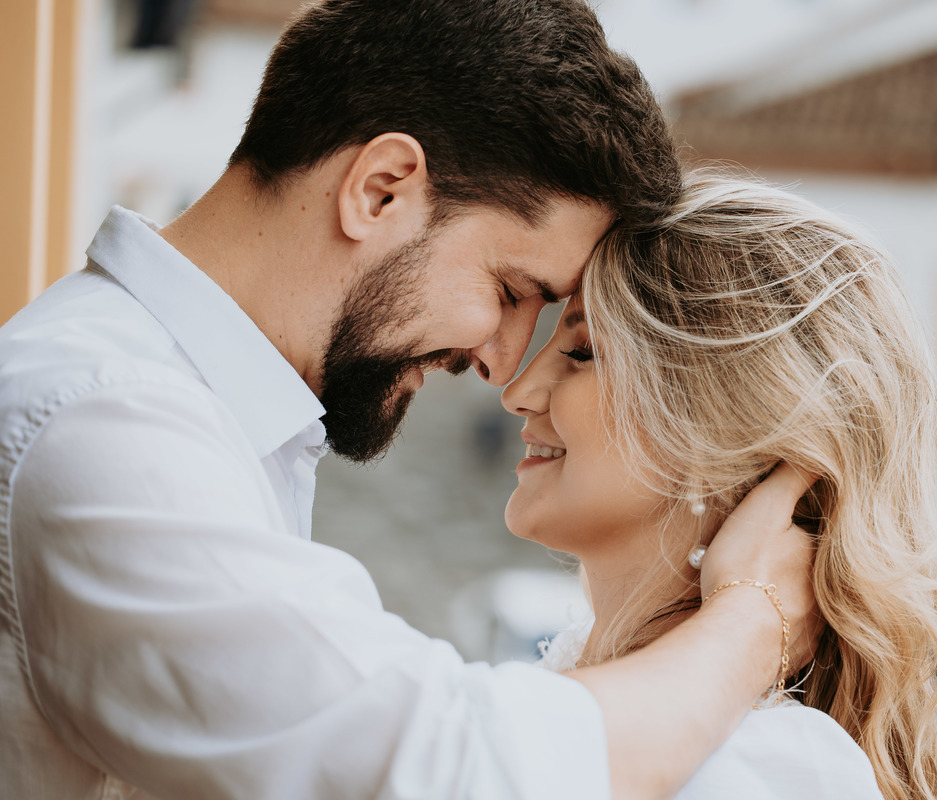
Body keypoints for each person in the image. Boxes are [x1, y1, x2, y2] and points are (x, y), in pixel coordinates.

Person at [0, 3, 819, 799]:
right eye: (510, 289)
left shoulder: (199, 417)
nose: (501, 365)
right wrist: (755, 622)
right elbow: (446, 771)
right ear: (382, 189)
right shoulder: (108, 422)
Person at [502, 173, 937, 800]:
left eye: (582, 352)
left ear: (730, 422)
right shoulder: (546, 699)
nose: (516, 393)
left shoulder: (773, 772)